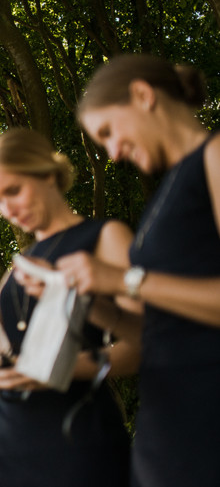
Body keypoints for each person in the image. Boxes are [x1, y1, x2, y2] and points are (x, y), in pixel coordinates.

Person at [0, 128, 140, 487]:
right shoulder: (21, 263)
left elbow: (140, 348)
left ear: (47, 174)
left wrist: (55, 369)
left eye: (14, 191)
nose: (9, 209)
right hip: (13, 440)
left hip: (78, 436)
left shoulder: (106, 236)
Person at [68, 53, 220, 486]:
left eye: (109, 132)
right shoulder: (165, 194)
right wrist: (102, 309)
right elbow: (165, 331)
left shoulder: (214, 156)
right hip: (167, 431)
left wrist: (124, 279)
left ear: (141, 95)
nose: (113, 153)